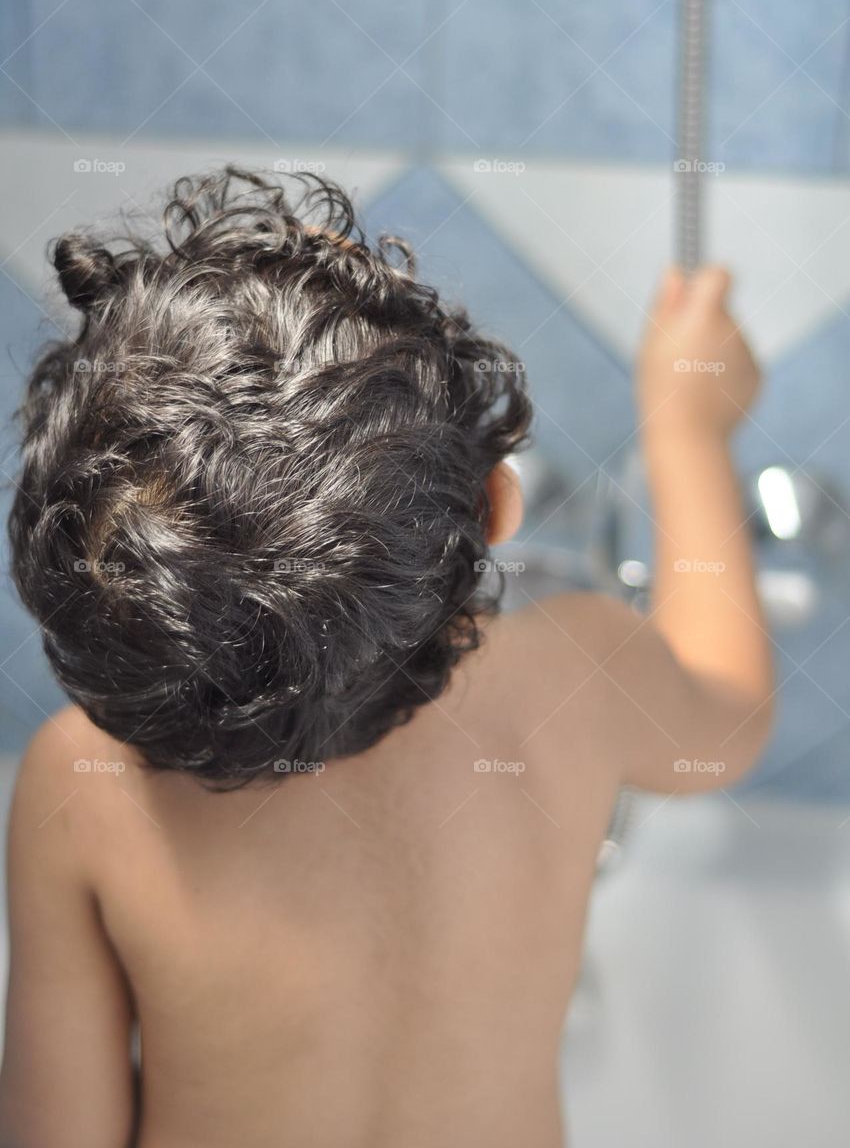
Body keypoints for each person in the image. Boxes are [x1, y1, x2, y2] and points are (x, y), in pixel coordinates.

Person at [0, 167, 774, 1148]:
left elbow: (57, 1129)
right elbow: (732, 710)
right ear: (499, 504)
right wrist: (687, 431)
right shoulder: (571, 680)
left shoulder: (83, 790)